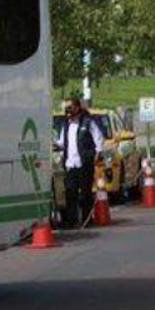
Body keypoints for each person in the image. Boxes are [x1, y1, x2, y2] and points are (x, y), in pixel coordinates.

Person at [54, 98, 105, 229]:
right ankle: (72, 221)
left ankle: (87, 219)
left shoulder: (87, 122)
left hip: (84, 163)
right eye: (66, 108)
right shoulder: (66, 125)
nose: (67, 110)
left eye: (70, 107)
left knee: (85, 193)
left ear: (77, 107)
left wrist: (98, 153)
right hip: (70, 164)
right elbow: (61, 142)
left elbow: (98, 138)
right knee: (70, 193)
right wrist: (55, 145)